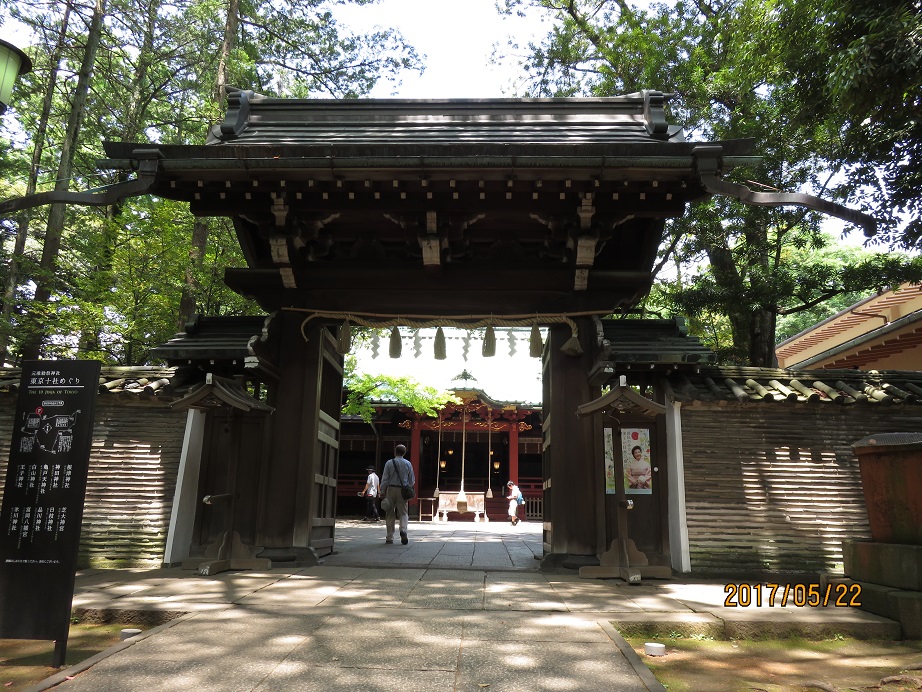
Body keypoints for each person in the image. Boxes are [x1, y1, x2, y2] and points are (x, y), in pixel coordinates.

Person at [380, 444, 415, 544]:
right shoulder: (408, 463)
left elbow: (385, 478)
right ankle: (403, 530)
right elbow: (412, 480)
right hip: (402, 490)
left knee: (390, 513)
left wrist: (382, 491)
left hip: (391, 489)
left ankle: (389, 537)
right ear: (404, 453)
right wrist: (407, 487)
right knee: (403, 513)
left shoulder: (389, 463)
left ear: (395, 451)